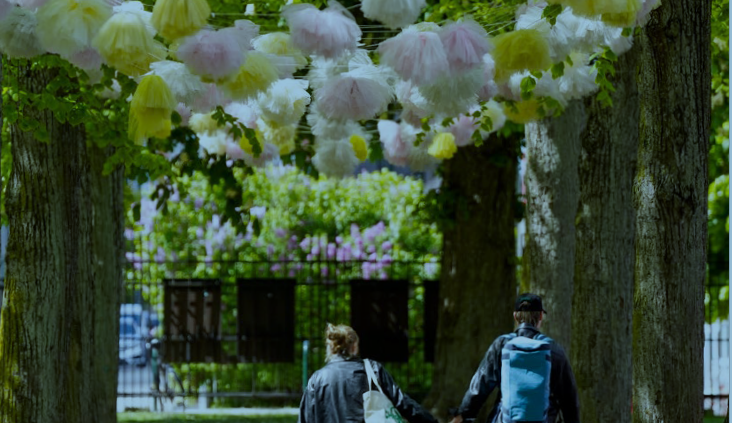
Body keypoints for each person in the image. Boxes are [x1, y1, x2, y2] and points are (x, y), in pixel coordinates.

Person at [450, 293, 580, 423]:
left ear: (515, 316)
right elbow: (569, 400)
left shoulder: (501, 345)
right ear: (541, 316)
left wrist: (463, 415)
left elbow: (480, 386)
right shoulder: (554, 350)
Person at [298, 323, 438, 423]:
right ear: (354, 346)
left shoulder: (317, 378)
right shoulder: (372, 369)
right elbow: (402, 402)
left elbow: (306, 418)